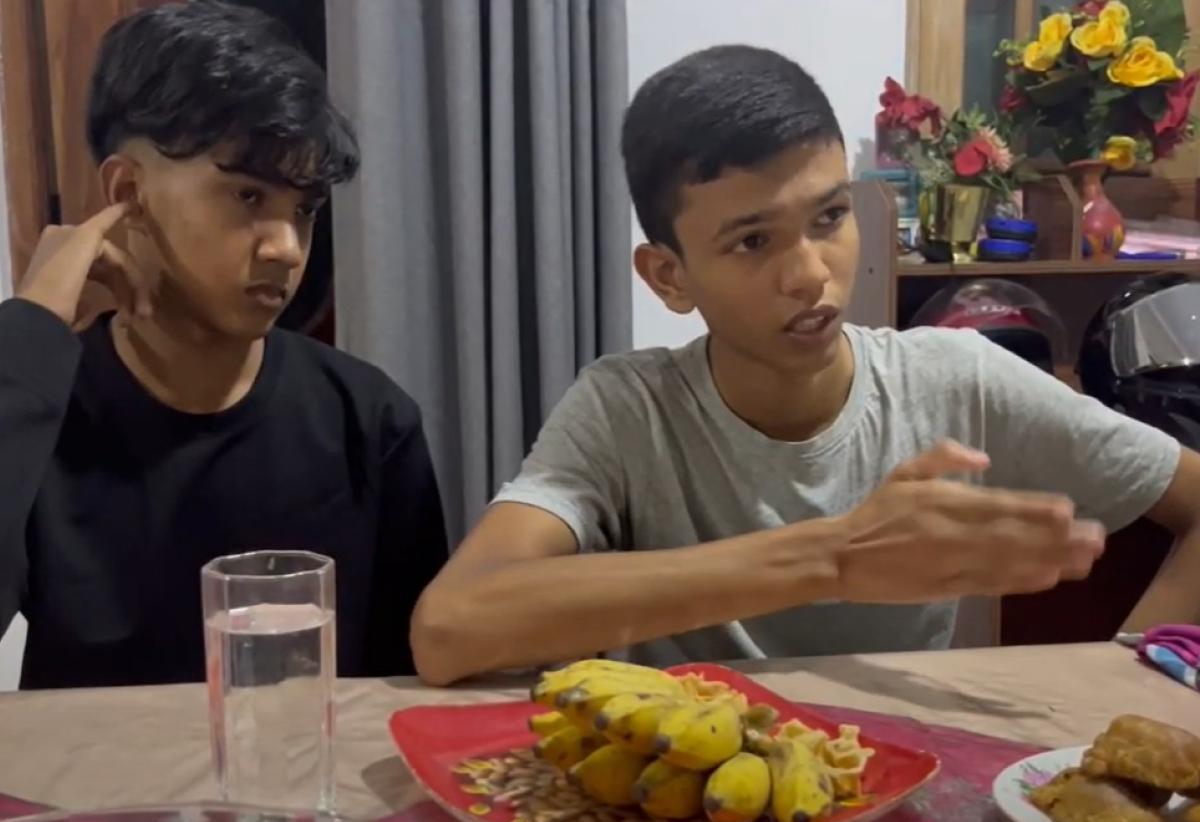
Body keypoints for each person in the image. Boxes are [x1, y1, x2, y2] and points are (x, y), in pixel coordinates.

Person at [411, 44, 1200, 686]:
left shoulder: (956, 380)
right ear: (669, 276)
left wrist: (1122, 685)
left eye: (829, 218)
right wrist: (833, 558)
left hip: (894, 794)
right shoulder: (628, 408)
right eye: (753, 241)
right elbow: (451, 628)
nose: (811, 272)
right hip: (685, 814)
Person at [0, 1, 446, 688]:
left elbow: (409, 690)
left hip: (303, 788)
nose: (286, 247)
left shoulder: (369, 421)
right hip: (96, 793)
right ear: (128, 192)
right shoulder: (42, 407)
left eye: (303, 209)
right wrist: (29, 328)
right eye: (246, 197)